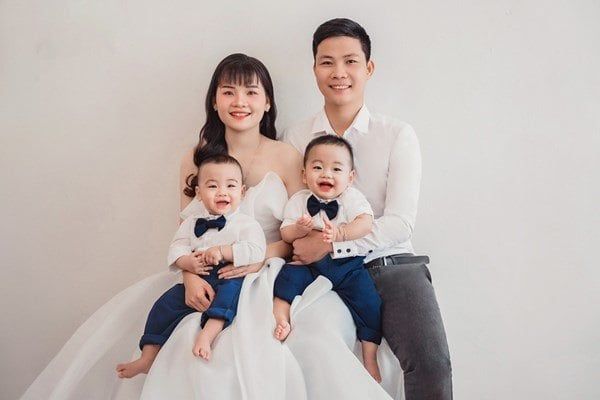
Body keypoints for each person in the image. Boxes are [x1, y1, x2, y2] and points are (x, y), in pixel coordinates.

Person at [282, 18, 453, 399]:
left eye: (350, 61)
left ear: (369, 68)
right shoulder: (295, 137)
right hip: (319, 270)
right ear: (314, 69)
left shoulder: (397, 134)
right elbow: (293, 213)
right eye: (327, 62)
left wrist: (334, 243)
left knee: (431, 361)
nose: (339, 73)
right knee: (306, 353)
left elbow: (400, 223)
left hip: (388, 263)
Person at [116, 154, 266, 378]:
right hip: (197, 275)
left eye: (231, 186)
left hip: (229, 275)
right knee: (164, 305)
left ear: (242, 192)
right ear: (198, 193)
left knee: (229, 297)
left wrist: (224, 251)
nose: (222, 192)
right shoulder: (191, 223)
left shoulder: (247, 224)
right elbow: (177, 247)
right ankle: (147, 357)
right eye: (212, 186)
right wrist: (187, 262)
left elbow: (257, 250)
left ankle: (207, 334)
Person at [273, 135, 383, 382]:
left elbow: (366, 223)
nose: (326, 174)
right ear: (304, 175)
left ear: (350, 178)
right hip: (307, 265)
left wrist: (341, 233)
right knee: (285, 279)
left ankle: (369, 356)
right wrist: (298, 229)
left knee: (370, 302)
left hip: (346, 265)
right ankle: (281, 317)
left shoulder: (351, 198)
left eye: (336, 169)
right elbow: (285, 233)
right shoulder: (299, 200)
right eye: (318, 167)